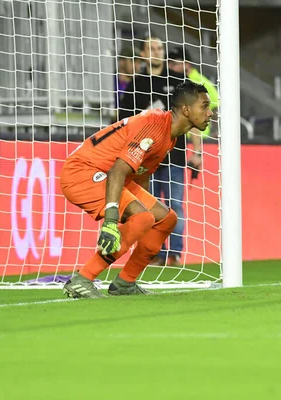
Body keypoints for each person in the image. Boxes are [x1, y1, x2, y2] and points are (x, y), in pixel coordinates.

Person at [61, 81, 213, 298]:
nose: (210, 113)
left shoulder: (170, 135)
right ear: (186, 110)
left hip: (110, 174)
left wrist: (140, 206)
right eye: (204, 106)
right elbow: (117, 171)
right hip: (82, 174)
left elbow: (140, 174)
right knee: (143, 218)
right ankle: (82, 278)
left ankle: (125, 283)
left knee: (165, 218)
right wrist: (112, 220)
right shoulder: (154, 126)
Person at [119, 37, 202, 267]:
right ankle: (154, 253)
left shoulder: (178, 81)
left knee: (174, 205)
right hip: (144, 159)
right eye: (151, 49)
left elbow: (192, 117)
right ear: (144, 54)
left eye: (159, 48)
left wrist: (198, 151)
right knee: (147, 206)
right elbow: (123, 122)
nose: (156, 52)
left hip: (174, 155)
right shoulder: (137, 85)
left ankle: (175, 254)